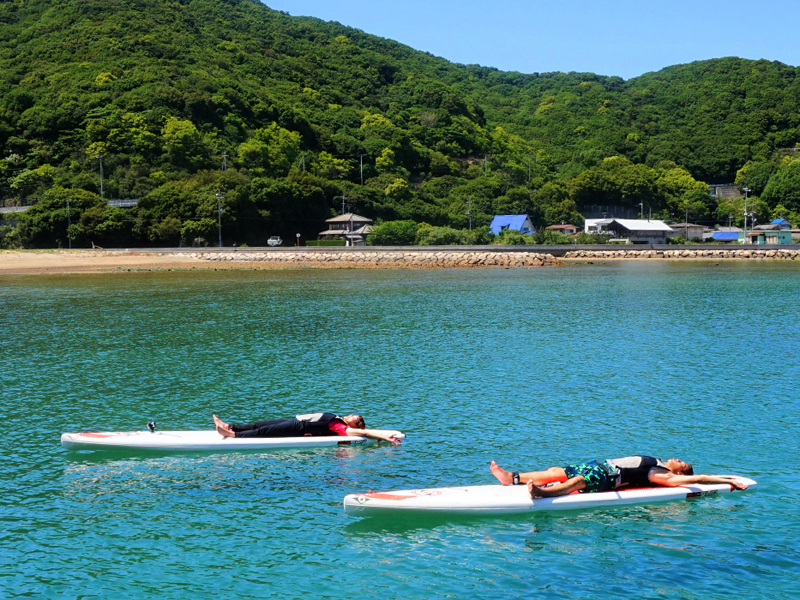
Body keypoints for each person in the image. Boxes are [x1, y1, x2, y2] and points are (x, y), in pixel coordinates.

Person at [490, 455, 748, 499]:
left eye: (682, 463)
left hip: (605, 478)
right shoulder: (658, 462)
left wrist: (728, 481)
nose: (678, 459)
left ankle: (541, 493)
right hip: (598, 465)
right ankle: (511, 478)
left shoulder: (662, 475)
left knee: (577, 483)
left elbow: (697, 479)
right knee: (553, 472)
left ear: (678, 472)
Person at [212, 412, 402, 444]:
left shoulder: (344, 429)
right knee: (261, 424)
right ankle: (229, 425)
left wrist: (385, 437)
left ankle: (232, 434)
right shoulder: (339, 421)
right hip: (296, 421)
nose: (351, 415)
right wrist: (384, 433)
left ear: (354, 425)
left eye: (355, 417)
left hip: (298, 429)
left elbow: (365, 433)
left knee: (264, 432)